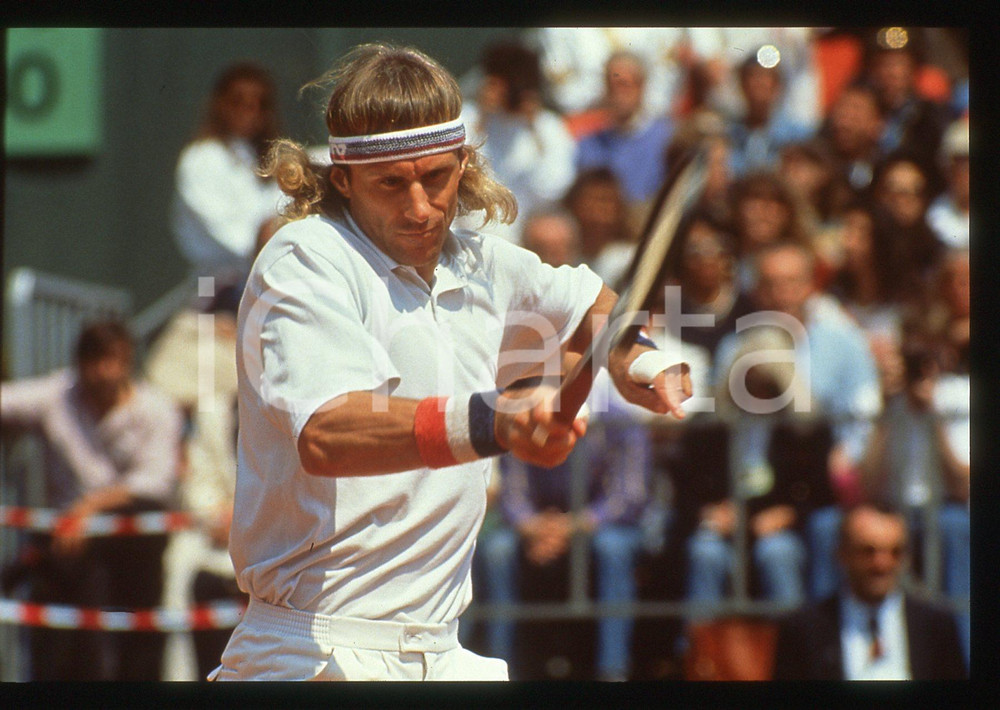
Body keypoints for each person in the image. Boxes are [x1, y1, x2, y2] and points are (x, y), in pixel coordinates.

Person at [212, 42, 691, 682]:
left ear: (463, 165)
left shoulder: (481, 260)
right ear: (342, 178)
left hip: (440, 653)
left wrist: (641, 366)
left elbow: (595, 310)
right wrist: (497, 422)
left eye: (436, 177)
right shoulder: (304, 260)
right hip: (313, 653)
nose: (419, 207)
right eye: (391, 183)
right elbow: (328, 433)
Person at [0, 320, 183, 680]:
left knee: (130, 651)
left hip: (132, 552)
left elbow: (155, 484)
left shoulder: (157, 409)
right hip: (69, 550)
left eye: (111, 360)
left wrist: (88, 511)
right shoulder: (59, 395)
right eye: (93, 360)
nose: (103, 372)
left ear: (128, 361)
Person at [772, 501, 967, 679]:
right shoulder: (804, 630)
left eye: (895, 552)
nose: (882, 564)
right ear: (842, 554)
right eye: (868, 551)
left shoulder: (935, 626)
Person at [171, 61, 285, 294]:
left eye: (259, 105)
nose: (249, 112)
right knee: (206, 332)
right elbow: (227, 231)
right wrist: (269, 247)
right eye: (239, 103)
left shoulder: (260, 158)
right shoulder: (201, 158)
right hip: (212, 284)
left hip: (258, 277)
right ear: (220, 105)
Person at [455, 40, 577, 245]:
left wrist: (533, 127)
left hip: (527, 239)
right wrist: (483, 115)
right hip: (472, 236)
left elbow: (553, 189)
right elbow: (459, 174)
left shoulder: (549, 127)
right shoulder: (468, 118)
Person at [574, 50, 676, 212]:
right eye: (611, 85)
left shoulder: (666, 137)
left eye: (625, 85)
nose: (618, 94)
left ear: (642, 86)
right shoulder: (589, 144)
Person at [727, 52, 814, 179]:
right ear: (742, 85)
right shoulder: (729, 134)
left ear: (778, 86)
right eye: (752, 77)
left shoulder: (799, 136)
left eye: (765, 78)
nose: (758, 84)